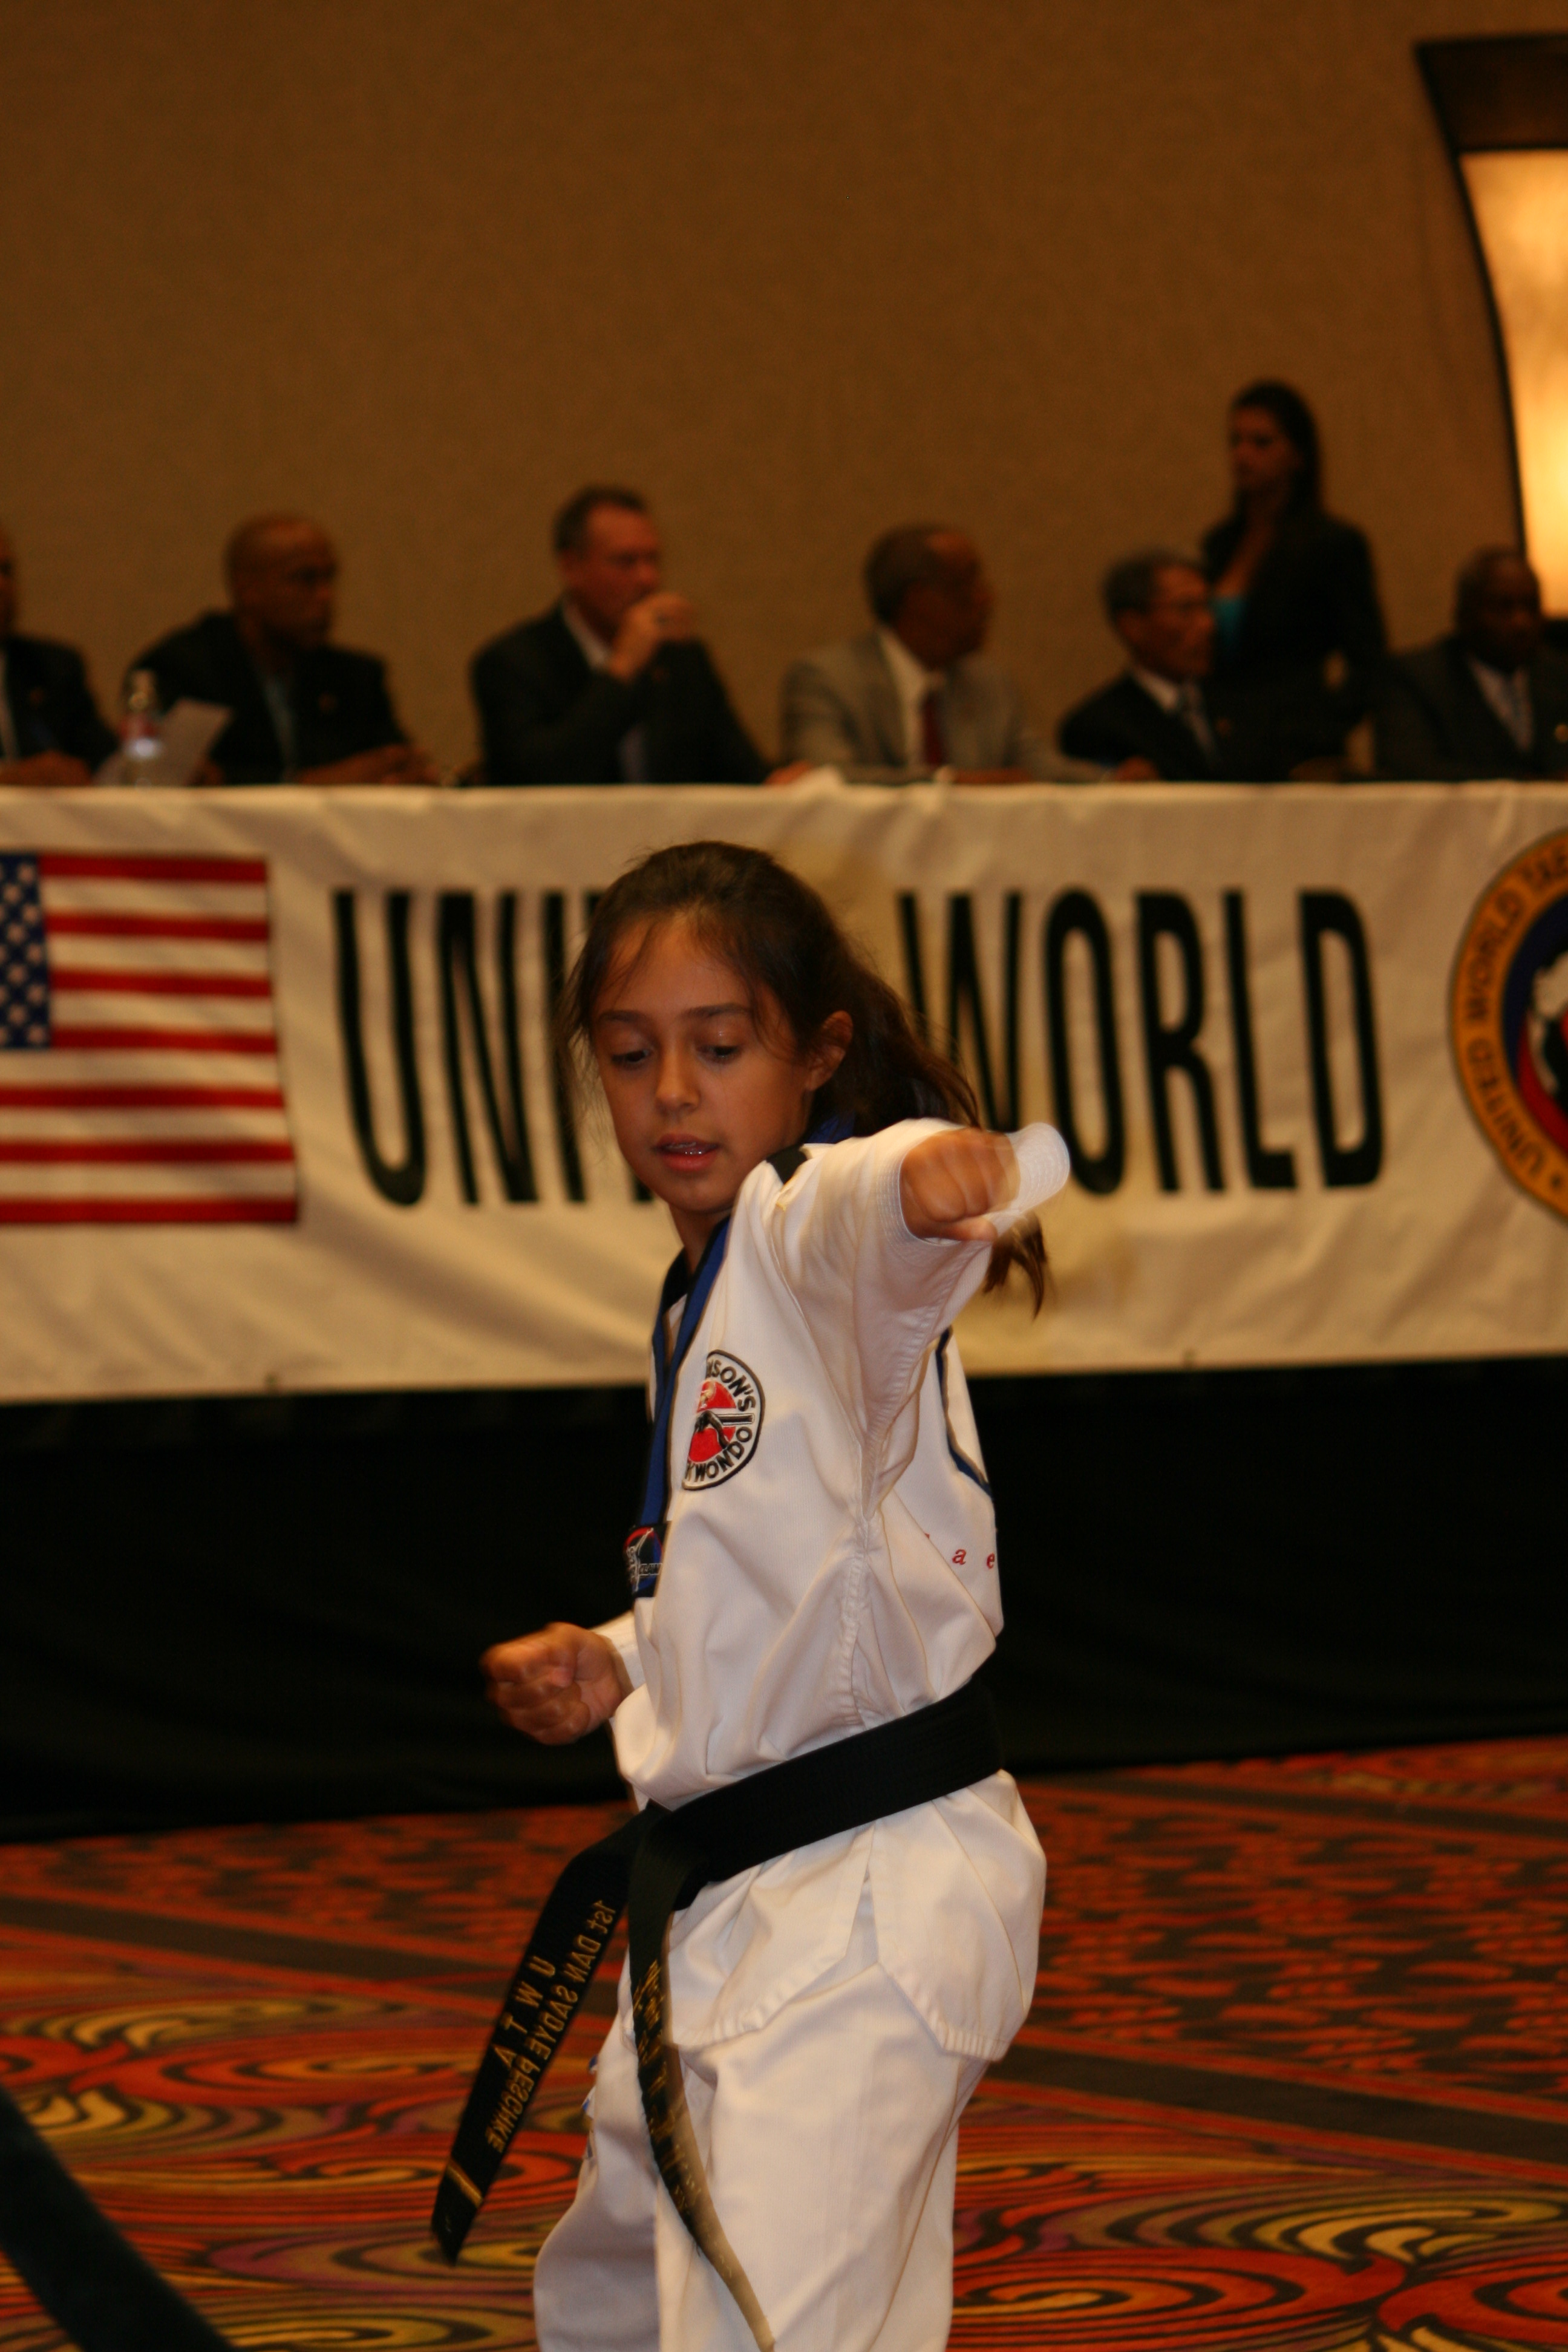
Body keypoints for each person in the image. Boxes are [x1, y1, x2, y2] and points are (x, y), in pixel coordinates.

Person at [477, 840, 1065, 2352]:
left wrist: (926, 1172)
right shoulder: (703, 1291)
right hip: (735, 1887)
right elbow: (771, 1566)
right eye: (631, 1054)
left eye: (721, 1047)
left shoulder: (808, 1231)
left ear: (815, 1057)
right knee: (611, 2299)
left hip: (865, 1895)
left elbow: (859, 1200)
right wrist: (623, 1656)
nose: (673, 1092)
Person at [471, 488, 769, 784]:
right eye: (626, 561)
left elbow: (745, 775)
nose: (648, 578)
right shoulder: (512, 664)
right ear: (571, 567)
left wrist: (781, 783)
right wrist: (621, 669)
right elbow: (536, 778)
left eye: (652, 560)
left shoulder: (682, 659)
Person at [131, 515, 436, 785]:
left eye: (329, 578)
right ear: (248, 590)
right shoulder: (184, 668)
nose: (325, 596)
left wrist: (404, 771)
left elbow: (390, 765)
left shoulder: (355, 678)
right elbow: (181, 779)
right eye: (305, 578)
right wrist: (310, 784)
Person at [779, 524, 1097, 780]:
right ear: (919, 600)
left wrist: (1110, 782)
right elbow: (826, 778)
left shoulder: (988, 683)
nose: (987, 599)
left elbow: (1040, 769)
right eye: (968, 584)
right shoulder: (827, 679)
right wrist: (949, 783)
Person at [1200, 381, 1387, 779]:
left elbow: (1370, 662)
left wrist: (1320, 730)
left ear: (1298, 455)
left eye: (1261, 443)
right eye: (1235, 442)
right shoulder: (1219, 544)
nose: (1242, 455)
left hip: (1296, 749)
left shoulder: (1331, 544)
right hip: (1225, 743)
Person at [1374, 548, 1568, 780]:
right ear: (1463, 614)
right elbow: (1410, 770)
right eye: (1503, 607)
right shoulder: (1418, 680)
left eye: (1531, 606)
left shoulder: (1558, 675)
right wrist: (1530, 786)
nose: (1521, 622)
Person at [1058, 550, 1235, 779]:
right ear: (1134, 626)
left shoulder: (1247, 705)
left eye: (1207, 606)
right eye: (1186, 609)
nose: (1208, 624)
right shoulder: (1097, 727)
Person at [0, 523, 116, 786]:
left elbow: (104, 760)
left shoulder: (50, 668)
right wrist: (9, 780)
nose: (2, 585)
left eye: (6, 571)